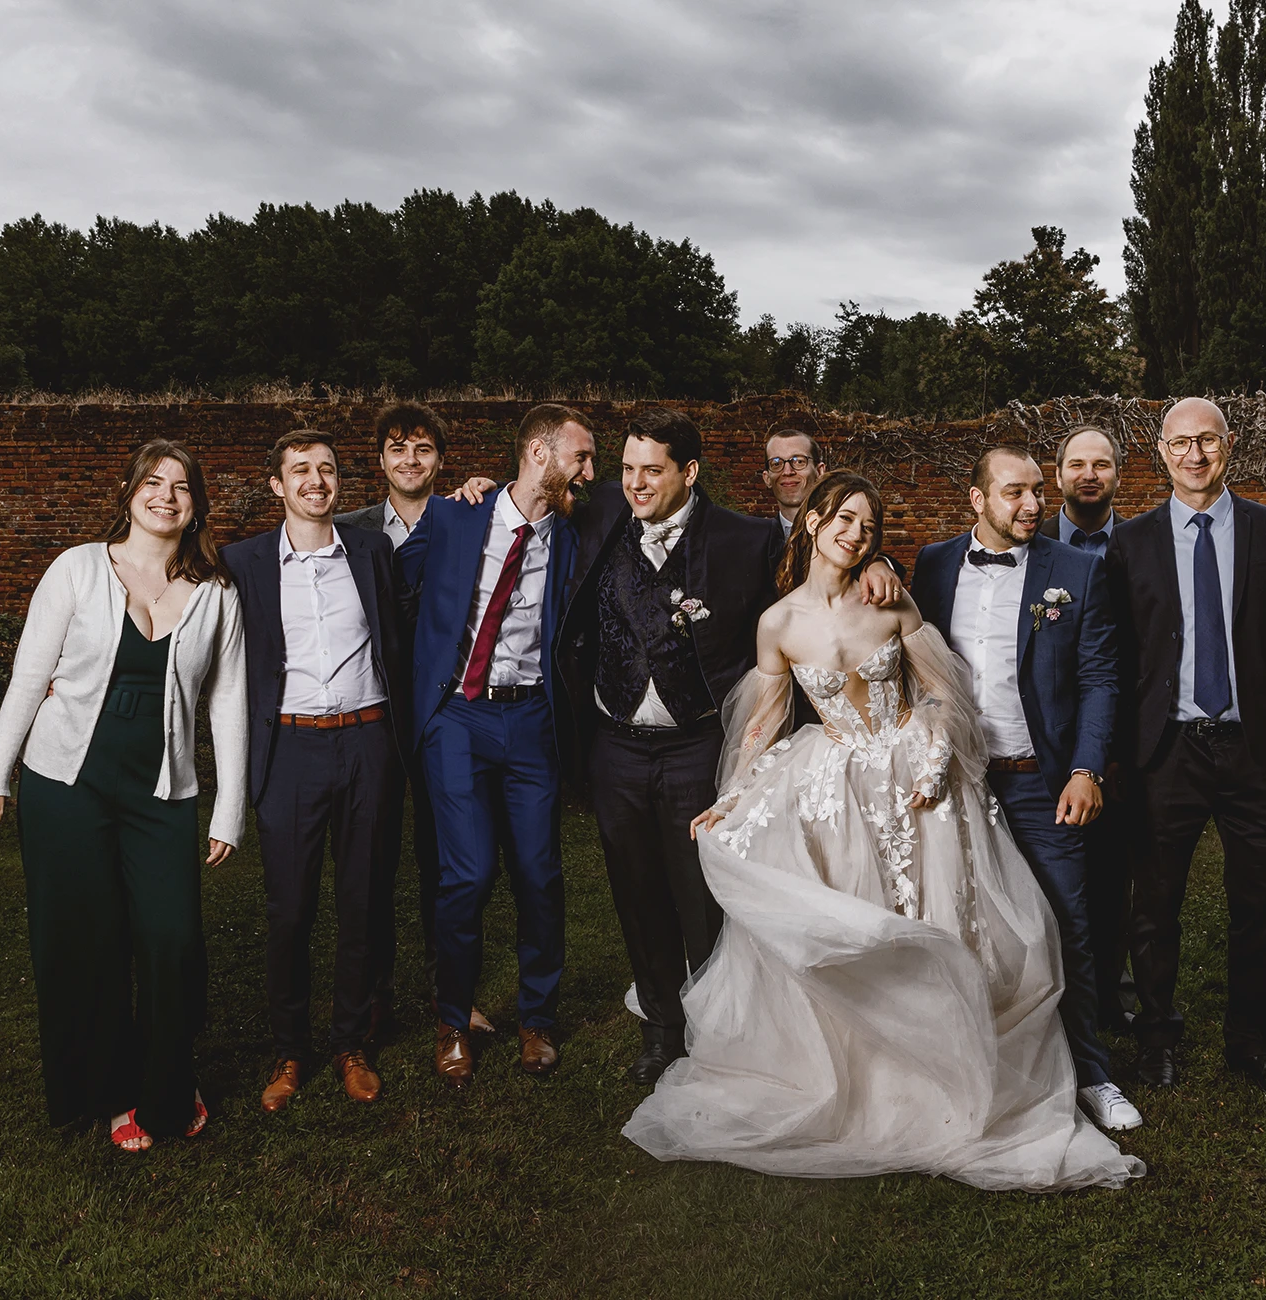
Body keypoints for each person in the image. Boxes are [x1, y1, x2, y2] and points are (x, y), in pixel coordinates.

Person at [622, 472, 1143, 1192]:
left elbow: (946, 691)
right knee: (860, 928)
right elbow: (765, 723)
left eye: (867, 527)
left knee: (945, 924)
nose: (854, 534)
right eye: (843, 519)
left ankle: (961, 1072)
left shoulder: (890, 597)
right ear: (811, 524)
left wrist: (931, 750)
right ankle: (866, 1077)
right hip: (840, 786)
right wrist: (734, 796)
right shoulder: (777, 624)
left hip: (920, 784)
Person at [0, 440, 247, 1152]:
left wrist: (230, 806)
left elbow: (229, 700)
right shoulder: (77, 569)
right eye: (154, 482)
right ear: (129, 492)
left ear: (196, 504)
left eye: (181, 486)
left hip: (161, 794)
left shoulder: (218, 592)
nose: (167, 496)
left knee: (172, 942)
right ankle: (115, 1094)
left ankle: (172, 1085)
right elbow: (30, 678)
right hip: (65, 787)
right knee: (90, 945)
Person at [1104, 398, 1266, 1100]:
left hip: (1255, 750)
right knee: (1155, 906)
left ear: (1229, 446)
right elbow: (1116, 658)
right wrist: (1114, 756)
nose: (1195, 455)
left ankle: (1250, 1045)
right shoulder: (1129, 543)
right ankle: (1157, 1041)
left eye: (1208, 441)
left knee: (1259, 904)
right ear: (1160, 452)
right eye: (1181, 443)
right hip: (1165, 752)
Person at [913, 447, 1141, 1134]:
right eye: (1014, 492)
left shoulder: (1077, 570)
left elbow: (1104, 678)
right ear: (977, 500)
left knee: (1067, 926)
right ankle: (971, 1067)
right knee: (956, 930)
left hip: (1042, 785)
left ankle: (1093, 1075)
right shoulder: (932, 565)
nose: (1033, 505)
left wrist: (1086, 769)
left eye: (1038, 491)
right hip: (958, 783)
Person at [559, 409, 783, 1084]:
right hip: (615, 745)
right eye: (626, 469)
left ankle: (723, 1029)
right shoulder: (599, 512)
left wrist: (879, 563)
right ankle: (662, 1029)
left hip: (698, 743)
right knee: (636, 891)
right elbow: (529, 492)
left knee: (705, 895)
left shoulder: (746, 539)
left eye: (652, 470)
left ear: (690, 471)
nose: (635, 483)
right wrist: (477, 486)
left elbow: (813, 583)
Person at [398, 403, 594, 1089]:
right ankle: (454, 1018)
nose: (589, 472)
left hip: (533, 718)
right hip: (458, 716)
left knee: (539, 873)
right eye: (581, 457)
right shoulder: (454, 517)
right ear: (540, 455)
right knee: (469, 875)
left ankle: (536, 1017)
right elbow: (388, 579)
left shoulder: (575, 535)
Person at [222, 431, 409, 1113]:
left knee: (364, 900)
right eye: (300, 470)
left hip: (367, 742)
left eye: (327, 469)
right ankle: (290, 1049)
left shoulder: (371, 552)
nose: (315, 480)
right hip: (290, 751)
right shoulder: (240, 563)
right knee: (290, 909)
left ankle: (351, 1042)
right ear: (277, 485)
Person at [335, 403, 494, 1041]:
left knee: (446, 859)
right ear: (380, 460)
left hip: (443, 712)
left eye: (423, 449)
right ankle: (373, 996)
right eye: (398, 449)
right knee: (369, 860)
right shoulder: (346, 530)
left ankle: (449, 991)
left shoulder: (466, 518)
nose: (410, 460)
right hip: (370, 712)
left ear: (440, 459)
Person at [1039, 426, 1135, 1033]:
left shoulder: (1143, 543)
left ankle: (1108, 998)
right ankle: (1045, 1001)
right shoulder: (1031, 539)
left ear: (1118, 476)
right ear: (1059, 476)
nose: (1089, 474)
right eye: (1077, 464)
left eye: (1102, 464)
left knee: (1110, 877)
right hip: (1039, 738)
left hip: (1122, 738)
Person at [760, 428, 827, 546]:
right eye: (776, 463)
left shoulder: (844, 535)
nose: (787, 471)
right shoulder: (756, 543)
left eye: (799, 461)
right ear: (767, 478)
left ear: (819, 472)